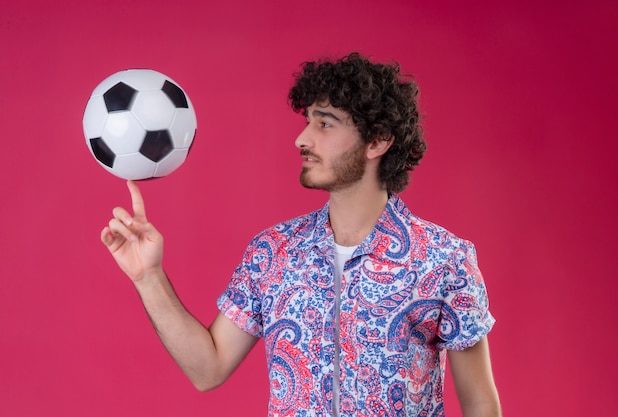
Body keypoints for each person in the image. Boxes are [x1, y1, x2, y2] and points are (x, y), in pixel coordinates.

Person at [101, 52, 501, 417]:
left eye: (324, 123)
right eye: (307, 120)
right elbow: (208, 369)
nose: (302, 138)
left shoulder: (444, 258)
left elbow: (480, 401)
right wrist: (148, 277)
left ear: (378, 141)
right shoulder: (273, 252)